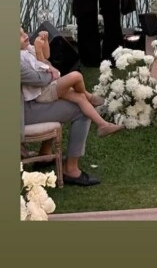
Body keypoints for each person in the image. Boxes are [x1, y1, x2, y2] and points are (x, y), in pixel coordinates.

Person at [20, 34, 100, 187]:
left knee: (66, 96)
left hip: (27, 104)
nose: (25, 35)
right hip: (23, 112)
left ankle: (45, 153)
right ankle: (71, 169)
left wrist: (41, 53)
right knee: (80, 109)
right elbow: (45, 78)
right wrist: (39, 53)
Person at [20, 27, 122, 137]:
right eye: (19, 36)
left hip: (49, 85)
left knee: (79, 98)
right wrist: (40, 53)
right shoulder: (21, 57)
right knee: (76, 76)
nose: (25, 35)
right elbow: (41, 70)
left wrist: (44, 42)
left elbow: (47, 56)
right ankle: (89, 96)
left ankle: (103, 125)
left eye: (24, 32)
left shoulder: (27, 49)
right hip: (43, 92)